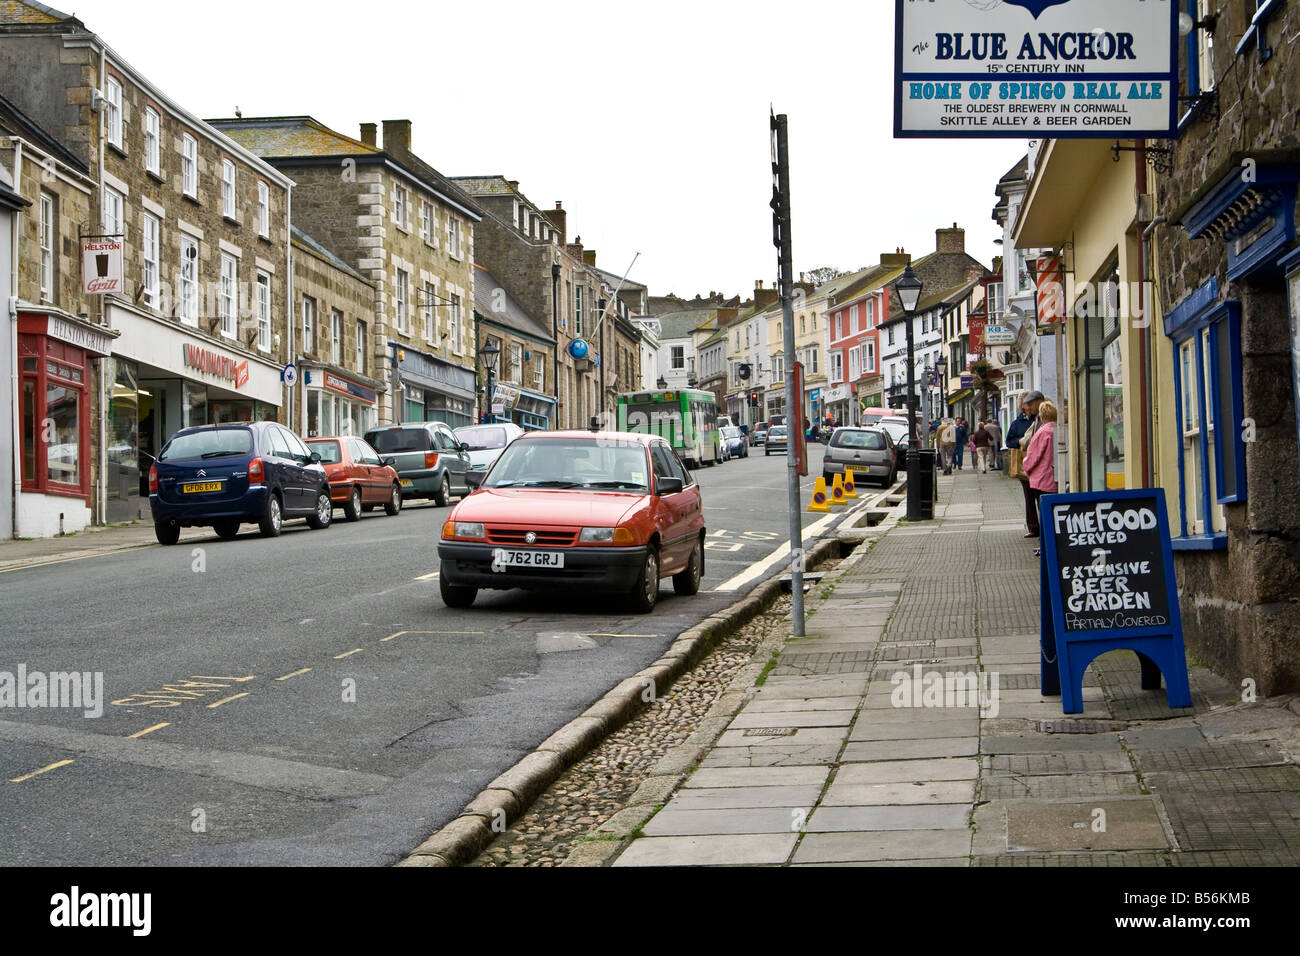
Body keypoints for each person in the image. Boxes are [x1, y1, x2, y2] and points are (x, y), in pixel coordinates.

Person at [1021, 399, 1058, 555]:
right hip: (1055, 477)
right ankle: (1051, 544)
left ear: (1042, 415)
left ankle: (1045, 546)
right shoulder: (1059, 429)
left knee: (1044, 514)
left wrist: (1026, 468)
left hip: (1042, 479)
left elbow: (1033, 456)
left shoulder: (1042, 432)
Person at [1006, 391, 1045, 538]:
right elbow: (1009, 441)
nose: (1027, 410)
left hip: (1039, 465)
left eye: (1029, 406)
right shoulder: (1017, 423)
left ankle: (1044, 526)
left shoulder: (1040, 420)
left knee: (1040, 496)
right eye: (1024, 407)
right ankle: (1033, 527)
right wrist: (1021, 441)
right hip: (1024, 465)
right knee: (1029, 498)